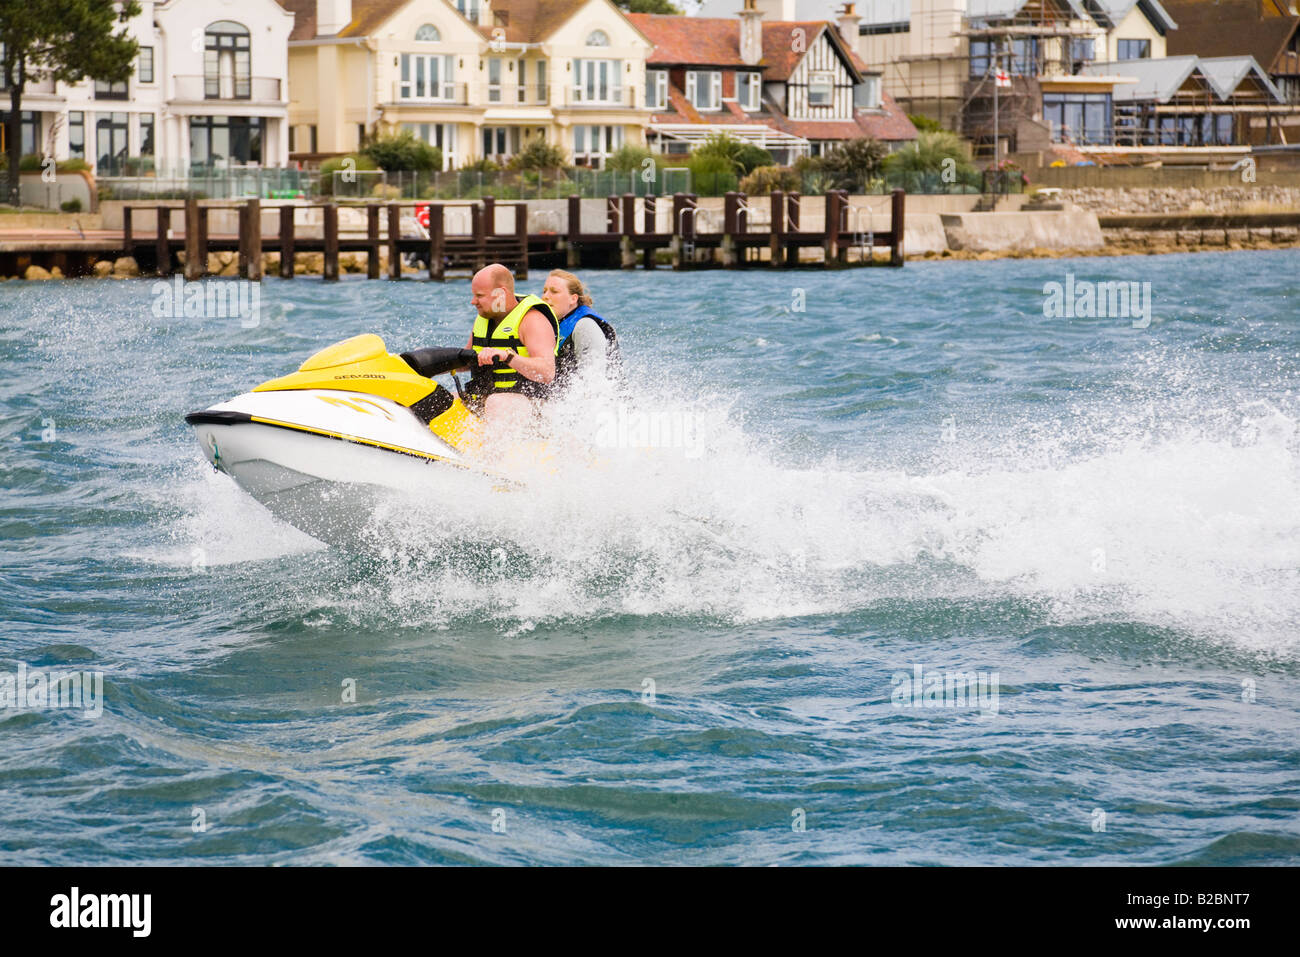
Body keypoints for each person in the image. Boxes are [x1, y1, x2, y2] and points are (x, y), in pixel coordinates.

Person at [466, 263, 560, 426]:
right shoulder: (483, 319)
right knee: (437, 398)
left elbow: (547, 372)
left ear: (500, 294)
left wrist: (507, 356)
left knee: (497, 402)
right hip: (488, 401)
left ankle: (494, 452)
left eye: (479, 295)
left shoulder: (533, 320)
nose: (473, 302)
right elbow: (465, 360)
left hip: (533, 406)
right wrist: (424, 361)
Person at [540, 269, 620, 389]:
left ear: (573, 299)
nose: (545, 296)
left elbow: (594, 380)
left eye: (554, 292)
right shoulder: (552, 325)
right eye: (544, 291)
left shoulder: (585, 326)